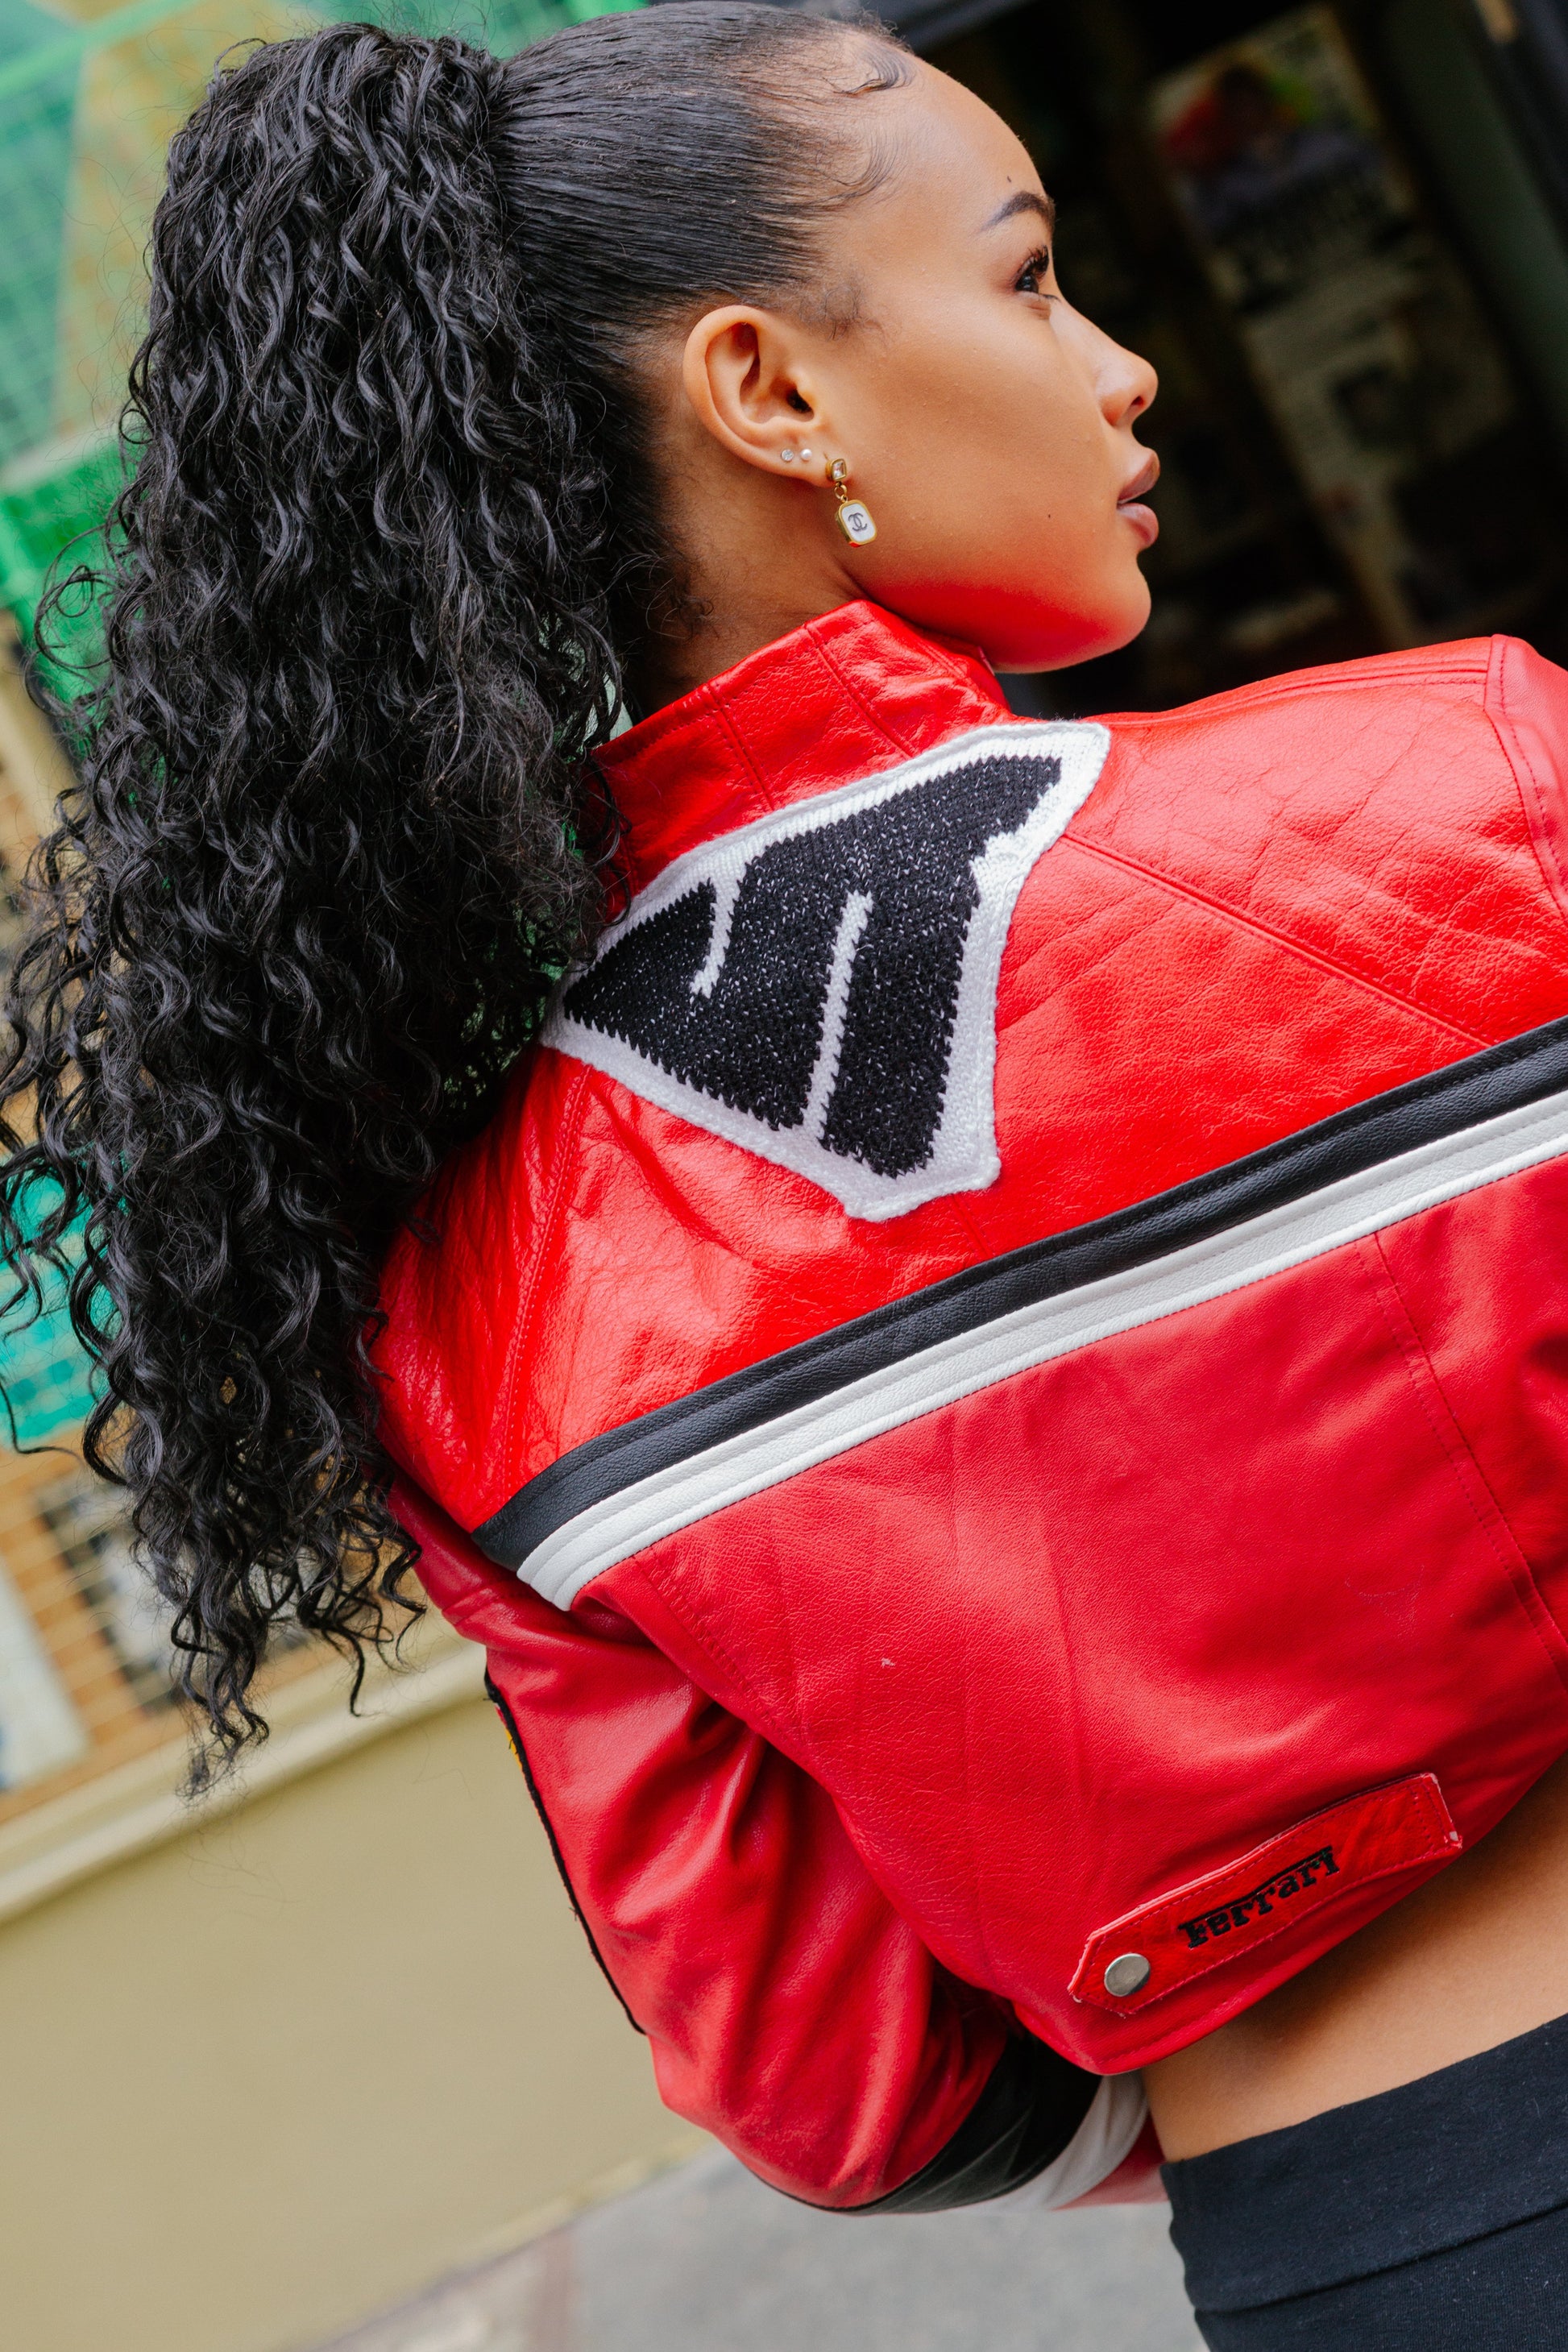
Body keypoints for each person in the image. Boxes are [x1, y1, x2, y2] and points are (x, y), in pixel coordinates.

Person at [6, 9, 1568, 2342]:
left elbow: (835, 2080)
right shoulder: (1479, 791)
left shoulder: (468, 1310)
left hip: (1358, 2256)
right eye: (1029, 277)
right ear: (767, 389)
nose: (1120, 367)